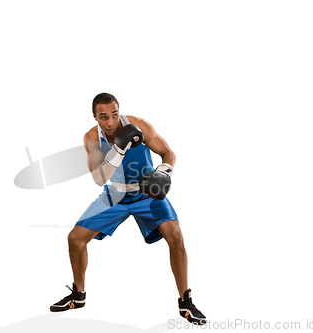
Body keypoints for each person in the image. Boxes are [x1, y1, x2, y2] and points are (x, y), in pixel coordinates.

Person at [50, 93, 206, 325]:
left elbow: (169, 153)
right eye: (104, 117)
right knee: (75, 238)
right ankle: (78, 295)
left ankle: (186, 302)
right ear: (95, 117)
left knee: (176, 236)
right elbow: (98, 178)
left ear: (119, 111)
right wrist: (119, 148)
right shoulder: (92, 137)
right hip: (115, 194)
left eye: (114, 115)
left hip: (146, 193)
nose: (111, 122)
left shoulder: (139, 125)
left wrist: (163, 172)